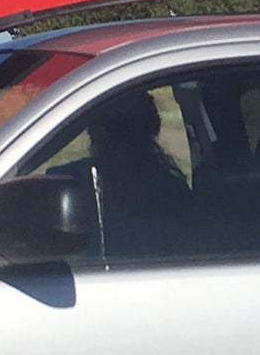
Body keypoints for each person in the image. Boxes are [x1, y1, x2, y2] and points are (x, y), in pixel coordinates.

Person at [51, 91, 194, 260]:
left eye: (133, 129)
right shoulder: (64, 186)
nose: (123, 142)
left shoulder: (170, 195)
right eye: (114, 126)